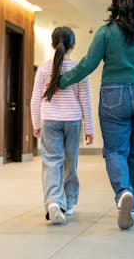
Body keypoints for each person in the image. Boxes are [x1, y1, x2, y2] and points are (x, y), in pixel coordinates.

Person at [58, 0, 134, 230]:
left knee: (114, 151)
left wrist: (62, 81)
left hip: (114, 95)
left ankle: (123, 193)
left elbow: (88, 64)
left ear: (116, 3)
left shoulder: (105, 32)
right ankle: (133, 202)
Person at [31, 26, 94, 225]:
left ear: (52, 44)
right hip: (73, 121)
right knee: (70, 161)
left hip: (50, 120)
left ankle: (53, 202)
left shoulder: (43, 68)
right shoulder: (78, 69)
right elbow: (85, 99)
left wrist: (36, 122)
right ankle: (69, 203)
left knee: (51, 161)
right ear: (73, 46)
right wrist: (90, 128)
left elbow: (35, 99)